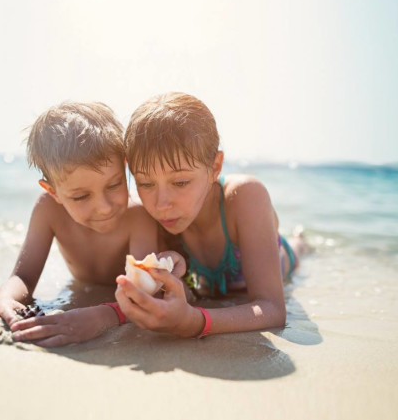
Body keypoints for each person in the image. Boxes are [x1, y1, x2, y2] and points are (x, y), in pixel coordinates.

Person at [0, 101, 184, 347]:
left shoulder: (137, 216)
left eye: (114, 185)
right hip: (83, 288)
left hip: (113, 299)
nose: (104, 207)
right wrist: (4, 299)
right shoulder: (48, 210)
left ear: (125, 166)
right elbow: (24, 276)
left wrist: (104, 316)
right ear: (53, 192)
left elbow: (146, 293)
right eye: (81, 196)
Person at [115, 92, 306, 338]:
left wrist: (194, 321)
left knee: (297, 250)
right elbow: (189, 293)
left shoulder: (245, 196)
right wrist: (177, 280)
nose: (161, 204)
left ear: (215, 167)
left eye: (181, 182)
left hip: (280, 260)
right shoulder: (151, 215)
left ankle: (301, 240)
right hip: (214, 283)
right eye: (146, 183)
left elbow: (273, 309)